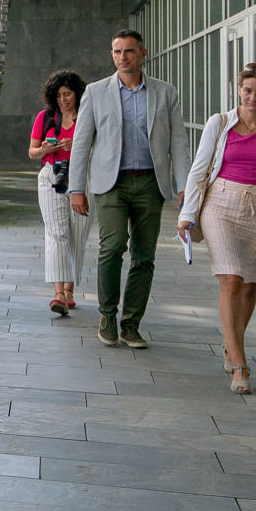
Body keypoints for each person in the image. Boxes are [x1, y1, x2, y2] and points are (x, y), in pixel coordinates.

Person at [177, 62, 256, 395]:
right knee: (230, 279)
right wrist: (187, 215)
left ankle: (231, 344)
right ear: (239, 90)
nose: (253, 97)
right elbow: (198, 171)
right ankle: (241, 363)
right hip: (221, 204)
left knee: (249, 285)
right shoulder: (219, 123)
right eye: (248, 90)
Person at [68, 29, 188, 349]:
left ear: (143, 54)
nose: (123, 57)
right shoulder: (95, 92)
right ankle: (107, 314)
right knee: (112, 247)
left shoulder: (165, 93)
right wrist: (76, 188)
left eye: (129, 51)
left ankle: (131, 322)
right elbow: (81, 143)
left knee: (144, 256)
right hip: (111, 184)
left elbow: (178, 142)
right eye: (117, 52)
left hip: (150, 182)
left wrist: (184, 186)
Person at [30, 70, 93, 316]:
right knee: (57, 232)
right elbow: (32, 152)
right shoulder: (45, 118)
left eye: (67, 94)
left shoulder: (88, 117)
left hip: (82, 178)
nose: (63, 100)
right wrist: (45, 148)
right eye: (58, 95)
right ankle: (58, 294)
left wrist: (77, 146)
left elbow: (100, 149)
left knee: (78, 234)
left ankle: (69, 290)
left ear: (77, 94)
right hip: (52, 175)